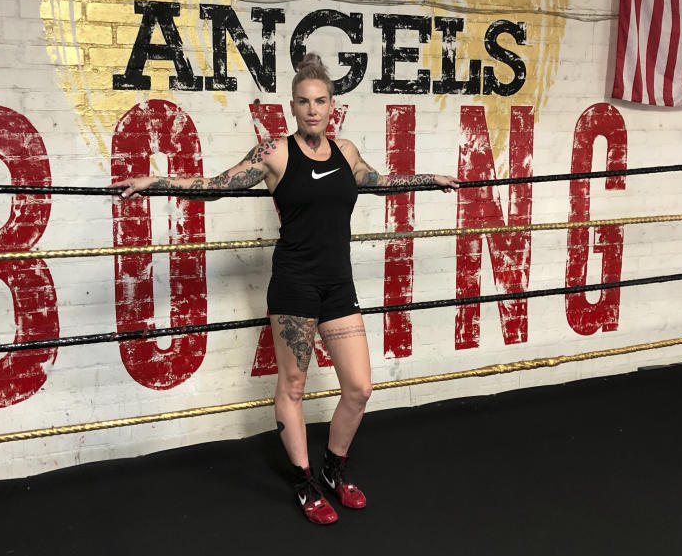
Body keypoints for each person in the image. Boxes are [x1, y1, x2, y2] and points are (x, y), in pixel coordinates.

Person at [113, 54, 459, 524]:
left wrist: (429, 179)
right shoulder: (274, 153)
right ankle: (304, 482)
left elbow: (379, 181)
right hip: (294, 285)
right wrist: (156, 182)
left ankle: (334, 469)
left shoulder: (347, 152)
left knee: (358, 388)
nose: (313, 110)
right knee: (292, 386)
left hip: (338, 285)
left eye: (320, 101)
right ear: (292, 107)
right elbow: (218, 185)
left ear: (332, 105)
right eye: (303, 102)